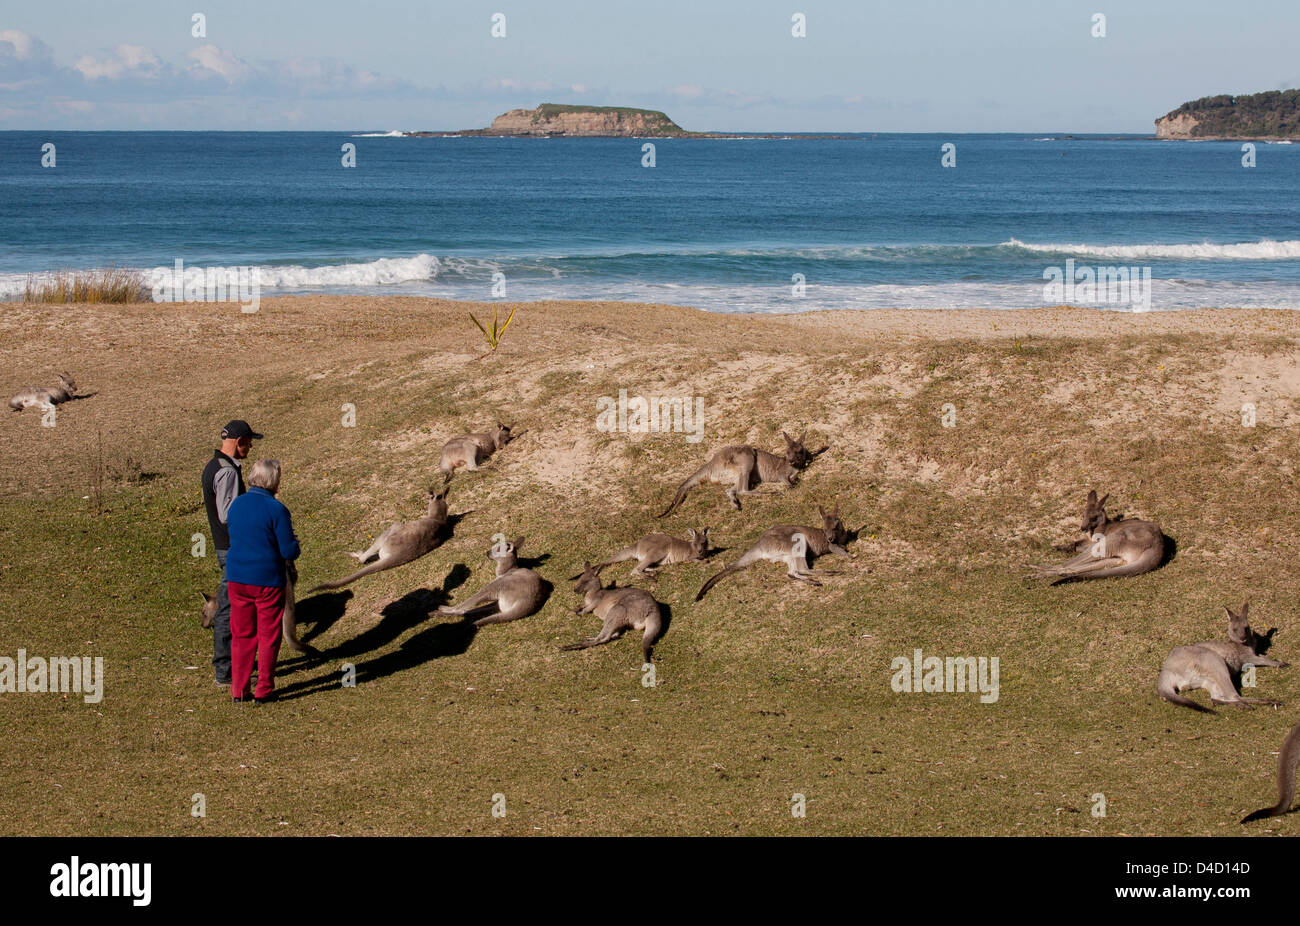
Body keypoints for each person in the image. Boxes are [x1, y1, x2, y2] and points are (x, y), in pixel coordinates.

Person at [224, 459, 301, 704]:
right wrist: (296, 544)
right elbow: (288, 550)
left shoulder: (236, 505)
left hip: (237, 577)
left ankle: (239, 689)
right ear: (274, 481)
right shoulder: (277, 509)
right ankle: (264, 689)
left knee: (242, 634)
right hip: (267, 579)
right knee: (267, 635)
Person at [200, 419, 262, 686]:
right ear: (238, 442)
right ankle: (224, 672)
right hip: (234, 550)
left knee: (234, 607)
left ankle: (235, 663)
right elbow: (228, 515)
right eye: (249, 443)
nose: (250, 448)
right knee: (227, 610)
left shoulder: (212, 466)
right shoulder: (227, 471)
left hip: (226, 548)